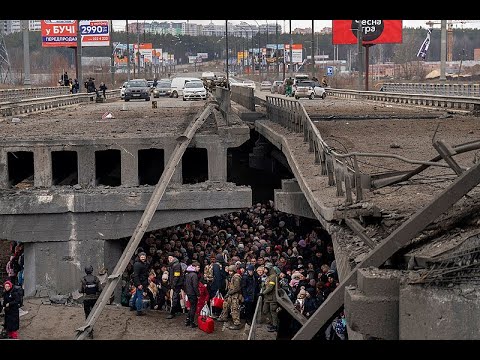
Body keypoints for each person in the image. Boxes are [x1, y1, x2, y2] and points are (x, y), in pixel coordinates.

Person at [217, 265, 243, 330]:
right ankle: (224, 317)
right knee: (225, 305)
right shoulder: (232, 277)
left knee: (234, 309)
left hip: (235, 296)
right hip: (231, 294)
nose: (230, 272)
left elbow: (236, 288)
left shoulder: (236, 277)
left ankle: (237, 323)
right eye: (229, 271)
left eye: (231, 271)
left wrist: (228, 293)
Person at [260, 262, 279, 333]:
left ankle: (275, 325)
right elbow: (265, 286)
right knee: (265, 310)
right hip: (267, 298)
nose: (265, 270)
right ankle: (271, 322)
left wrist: (262, 293)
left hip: (272, 298)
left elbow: (270, 287)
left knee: (273, 311)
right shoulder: (268, 276)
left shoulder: (273, 276)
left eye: (266, 269)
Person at [166, 254, 184, 319]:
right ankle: (178, 310)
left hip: (176, 284)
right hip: (176, 283)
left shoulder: (176, 265)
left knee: (174, 298)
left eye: (171, 258)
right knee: (176, 297)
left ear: (174, 258)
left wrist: (173, 284)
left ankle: (172, 312)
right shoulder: (173, 265)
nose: (169, 259)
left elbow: (177, 276)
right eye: (169, 258)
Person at [132, 252, 149, 316]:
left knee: (136, 294)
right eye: (142, 257)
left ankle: (132, 306)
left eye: (144, 257)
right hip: (140, 282)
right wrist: (138, 284)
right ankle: (139, 310)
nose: (143, 258)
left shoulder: (144, 264)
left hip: (142, 281)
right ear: (139, 257)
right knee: (140, 297)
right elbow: (136, 275)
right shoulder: (137, 264)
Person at [184, 261, 200, 328]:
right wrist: (198, 294)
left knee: (191, 307)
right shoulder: (194, 275)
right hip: (193, 293)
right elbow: (195, 286)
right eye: (198, 267)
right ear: (194, 267)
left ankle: (187, 320)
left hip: (188, 292)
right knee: (193, 308)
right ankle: (191, 322)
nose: (199, 268)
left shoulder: (187, 274)